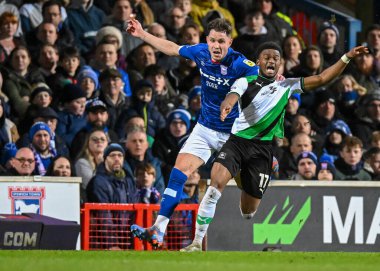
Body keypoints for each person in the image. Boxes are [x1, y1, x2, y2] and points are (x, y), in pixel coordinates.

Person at [180, 42, 368, 251]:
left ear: (280, 64)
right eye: (267, 56)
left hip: (262, 151)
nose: (271, 60)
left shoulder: (287, 85)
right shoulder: (245, 81)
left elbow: (322, 78)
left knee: (248, 212)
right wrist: (228, 105)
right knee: (215, 185)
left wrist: (347, 57)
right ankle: (196, 242)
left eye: (275, 58)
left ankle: (244, 175)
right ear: (258, 61)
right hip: (237, 142)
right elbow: (232, 95)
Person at [127, 16, 260, 248]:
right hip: (205, 129)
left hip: (233, 137)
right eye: (212, 40)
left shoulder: (239, 63)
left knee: (246, 203)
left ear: (230, 42)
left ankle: (263, 164)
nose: (216, 46)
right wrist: (142, 34)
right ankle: (159, 230)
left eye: (221, 41)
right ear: (206, 40)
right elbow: (172, 48)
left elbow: (257, 75)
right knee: (178, 174)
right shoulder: (200, 52)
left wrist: (276, 79)